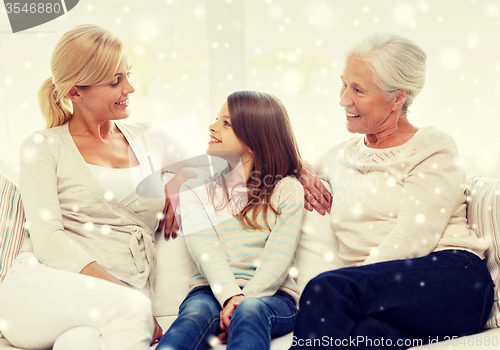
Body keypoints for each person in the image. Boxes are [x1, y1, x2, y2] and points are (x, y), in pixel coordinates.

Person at [291, 32, 494, 349]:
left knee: (325, 289)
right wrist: (300, 170)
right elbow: (278, 171)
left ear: (398, 97)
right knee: (364, 338)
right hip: (384, 296)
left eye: (358, 89)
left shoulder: (431, 147)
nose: (343, 99)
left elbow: (412, 239)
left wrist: (352, 287)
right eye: (343, 84)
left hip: (452, 279)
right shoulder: (337, 156)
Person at [0, 24, 165, 349]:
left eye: (128, 73)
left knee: (82, 342)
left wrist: (297, 170)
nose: (130, 88)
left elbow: (236, 164)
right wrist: (122, 292)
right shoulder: (43, 145)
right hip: (41, 291)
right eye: (115, 81)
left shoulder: (150, 136)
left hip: (107, 307)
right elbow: (48, 239)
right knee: (132, 309)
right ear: (75, 92)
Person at [156, 90, 305, 350]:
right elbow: (206, 251)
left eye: (226, 123)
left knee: (250, 309)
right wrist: (230, 296)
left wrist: (244, 299)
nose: (212, 127)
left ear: (252, 142)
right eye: (217, 119)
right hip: (209, 290)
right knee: (195, 316)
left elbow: (278, 257)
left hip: (273, 297)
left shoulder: (287, 189)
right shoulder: (196, 190)